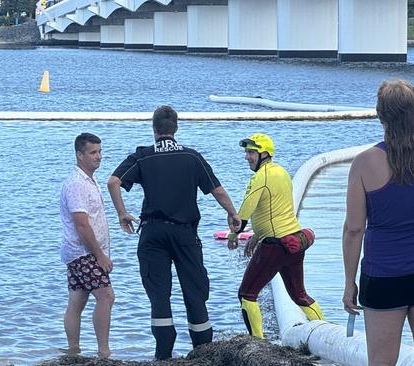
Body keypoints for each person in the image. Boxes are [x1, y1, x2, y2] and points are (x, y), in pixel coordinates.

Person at [107, 105, 240, 360]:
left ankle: (163, 355)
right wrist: (233, 214)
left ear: (154, 129)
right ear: (175, 128)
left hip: (153, 233)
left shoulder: (143, 156)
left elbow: (113, 182)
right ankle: (202, 353)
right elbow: (218, 190)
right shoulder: (192, 157)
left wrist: (122, 213)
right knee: (195, 292)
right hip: (185, 234)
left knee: (159, 295)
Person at [343, 79, 414, 366]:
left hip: (384, 276)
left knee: (382, 362)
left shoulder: (365, 162)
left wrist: (349, 283)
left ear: (380, 115)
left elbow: (354, 229)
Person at [227, 133, 324, 339]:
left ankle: (258, 344)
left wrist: (234, 234)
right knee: (300, 295)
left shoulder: (260, 177)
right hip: (294, 242)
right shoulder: (281, 172)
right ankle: (326, 333)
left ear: (264, 154)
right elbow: (277, 211)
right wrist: (256, 236)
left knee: (247, 295)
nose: (247, 157)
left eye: (251, 152)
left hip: (274, 246)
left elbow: (243, 214)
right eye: (246, 152)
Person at [60, 133, 115, 358]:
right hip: (83, 252)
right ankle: (104, 352)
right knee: (106, 296)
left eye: (100, 151)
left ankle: (74, 351)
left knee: (78, 299)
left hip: (79, 251)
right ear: (79, 155)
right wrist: (99, 255)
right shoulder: (76, 184)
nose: (98, 157)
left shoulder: (89, 180)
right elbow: (81, 225)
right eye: (93, 153)